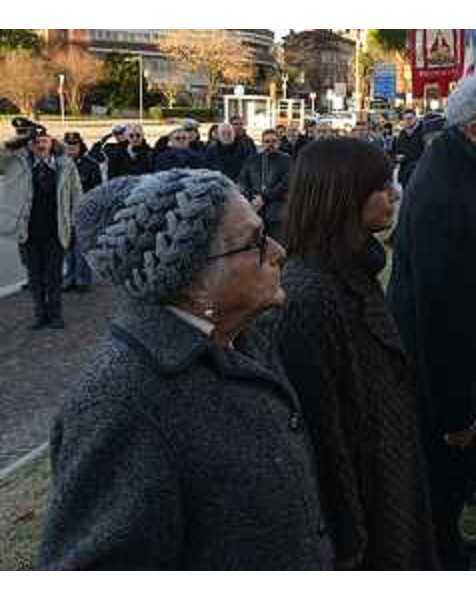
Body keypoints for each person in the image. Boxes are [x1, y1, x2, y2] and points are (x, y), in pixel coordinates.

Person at [39, 169, 333, 570]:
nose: (279, 250)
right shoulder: (118, 406)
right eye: (255, 242)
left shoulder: (244, 337)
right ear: (192, 279)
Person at [259, 138, 438, 570]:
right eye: (381, 185)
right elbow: (319, 438)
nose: (395, 193)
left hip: (388, 479)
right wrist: (351, 543)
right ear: (343, 194)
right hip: (365, 506)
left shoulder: (353, 268)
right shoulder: (307, 297)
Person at [386, 74, 476, 569]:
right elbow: (445, 319)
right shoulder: (447, 192)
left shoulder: (473, 166)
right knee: (442, 473)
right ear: (473, 129)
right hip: (449, 377)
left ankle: (447, 534)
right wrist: (457, 413)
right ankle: (439, 556)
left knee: (454, 479)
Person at [0, 125, 82, 329]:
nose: (40, 145)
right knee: (34, 277)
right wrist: (19, 140)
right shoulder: (16, 164)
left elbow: (76, 195)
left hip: (56, 231)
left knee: (54, 277)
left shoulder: (66, 165)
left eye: (44, 140)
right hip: (28, 233)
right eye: (36, 142)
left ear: (52, 143)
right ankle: (39, 315)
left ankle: (55, 315)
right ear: (29, 145)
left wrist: (75, 224)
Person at [62, 131, 102, 293]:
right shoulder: (58, 163)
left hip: (83, 211)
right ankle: (69, 278)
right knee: (67, 249)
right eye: (67, 145)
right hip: (64, 212)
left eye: (74, 145)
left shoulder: (91, 164)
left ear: (80, 146)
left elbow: (98, 190)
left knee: (81, 249)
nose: (70, 148)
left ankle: (82, 280)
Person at [238, 129, 291, 243]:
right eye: (267, 141)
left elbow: (285, 183)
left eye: (273, 141)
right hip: (255, 208)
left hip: (276, 210)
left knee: (276, 245)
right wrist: (252, 198)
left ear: (278, 143)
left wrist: (264, 197)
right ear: (262, 143)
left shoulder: (286, 160)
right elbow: (242, 181)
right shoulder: (252, 159)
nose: (270, 144)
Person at [394, 109, 424, 188]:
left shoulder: (422, 132)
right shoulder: (402, 134)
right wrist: (397, 157)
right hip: (405, 174)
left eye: (410, 118)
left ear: (415, 118)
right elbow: (397, 150)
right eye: (405, 119)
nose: (407, 121)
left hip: (419, 173)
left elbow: (424, 152)